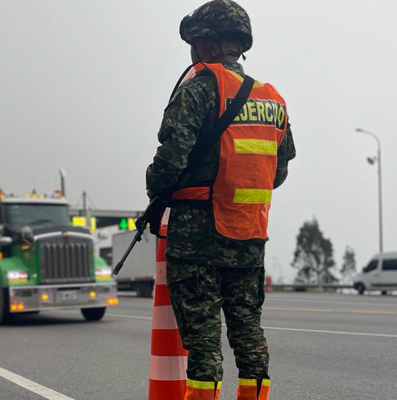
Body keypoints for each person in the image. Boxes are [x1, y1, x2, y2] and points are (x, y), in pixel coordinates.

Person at [145, 1, 296, 399]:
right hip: (249, 235)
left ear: (207, 42)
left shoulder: (198, 88)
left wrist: (155, 187)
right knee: (248, 334)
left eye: (195, 41)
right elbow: (277, 173)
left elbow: (169, 162)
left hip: (198, 238)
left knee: (204, 342)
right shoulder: (273, 99)